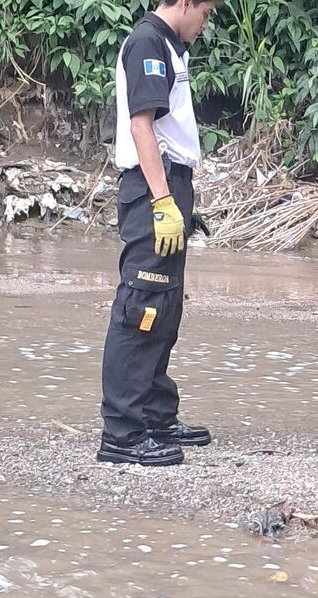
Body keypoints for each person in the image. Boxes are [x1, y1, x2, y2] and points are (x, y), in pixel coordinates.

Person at [98, 0, 219, 466]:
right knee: (140, 307)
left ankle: (154, 414)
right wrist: (163, 200)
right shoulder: (147, 42)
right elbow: (141, 125)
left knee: (164, 308)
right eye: (205, 13)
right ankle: (122, 433)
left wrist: (180, 198)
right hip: (153, 189)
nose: (205, 24)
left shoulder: (170, 46)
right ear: (184, 2)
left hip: (169, 186)